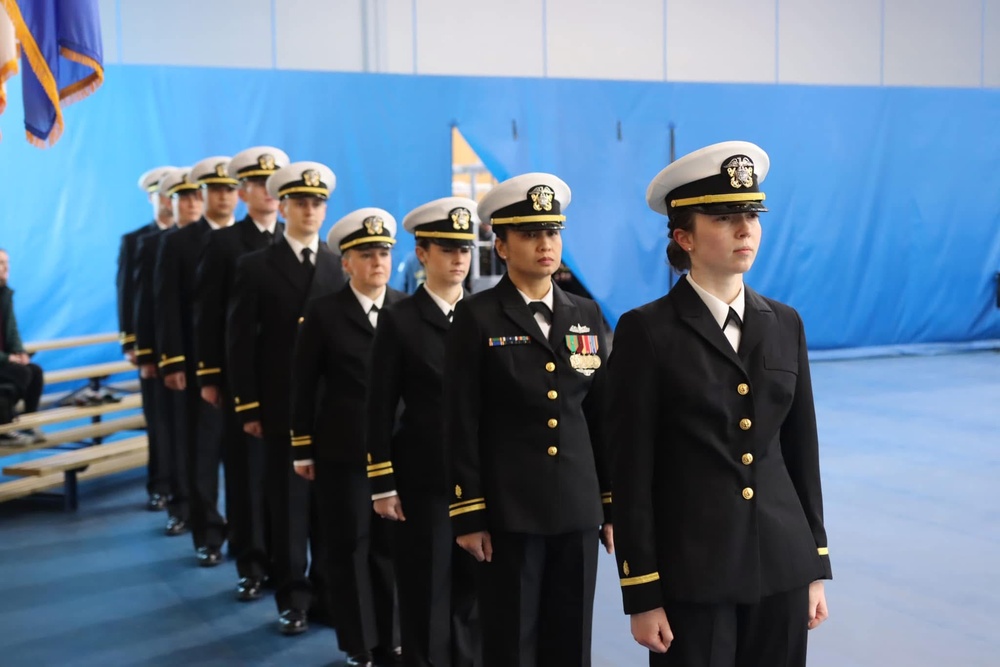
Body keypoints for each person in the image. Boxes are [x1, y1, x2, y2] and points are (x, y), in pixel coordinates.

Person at [608, 141, 832, 667]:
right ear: (683, 236)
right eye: (725, 216)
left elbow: (802, 451)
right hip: (693, 574)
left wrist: (814, 564)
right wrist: (642, 591)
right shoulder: (647, 331)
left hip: (781, 563)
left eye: (752, 215)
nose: (744, 228)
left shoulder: (785, 323)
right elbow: (632, 468)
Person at [444, 173, 613, 667]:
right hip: (509, 509)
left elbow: (601, 415)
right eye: (530, 234)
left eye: (553, 233)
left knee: (571, 638)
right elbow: (461, 419)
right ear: (501, 244)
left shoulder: (586, 313)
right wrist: (469, 513)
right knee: (512, 640)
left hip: (578, 507)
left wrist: (610, 504)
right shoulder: (477, 317)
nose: (545, 244)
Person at [227, 161, 345, 636]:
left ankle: (326, 593)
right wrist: (249, 405)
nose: (310, 210)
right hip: (279, 407)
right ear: (285, 205)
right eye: (301, 202)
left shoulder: (340, 266)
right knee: (289, 507)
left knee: (330, 509)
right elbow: (240, 342)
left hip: (332, 410)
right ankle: (293, 596)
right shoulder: (255, 266)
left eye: (318, 203)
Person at [366, 196, 482, 667]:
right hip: (423, 479)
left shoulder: (487, 315)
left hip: (479, 479)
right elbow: (377, 406)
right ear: (422, 253)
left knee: (474, 593)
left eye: (465, 249)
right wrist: (382, 483)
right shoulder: (400, 319)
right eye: (447, 248)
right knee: (427, 591)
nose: (458, 259)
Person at [290, 208, 404, 666]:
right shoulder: (324, 313)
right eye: (366, 255)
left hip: (397, 450)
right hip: (343, 450)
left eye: (383, 253)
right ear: (346, 263)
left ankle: (393, 635)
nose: (377, 262)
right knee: (350, 544)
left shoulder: (404, 308)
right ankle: (360, 642)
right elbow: (303, 382)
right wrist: (302, 447)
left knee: (390, 546)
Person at [194, 146, 289, 600]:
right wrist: (211, 375)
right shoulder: (225, 243)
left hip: (292, 384)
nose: (267, 194)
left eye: (274, 186)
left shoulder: (292, 241)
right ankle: (252, 563)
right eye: (257, 185)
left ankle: (290, 564)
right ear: (244, 192)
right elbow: (211, 314)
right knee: (248, 475)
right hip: (245, 379)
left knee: (288, 482)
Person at [155, 156, 239, 567]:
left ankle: (246, 534)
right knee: (201, 452)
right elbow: (167, 305)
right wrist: (172, 362)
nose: (223, 196)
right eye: (216, 189)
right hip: (198, 365)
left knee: (245, 463)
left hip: (245, 369)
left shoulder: (250, 239)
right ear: (203, 193)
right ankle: (208, 532)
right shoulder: (178, 242)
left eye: (229, 189)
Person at [134, 166, 203, 536]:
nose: (190, 203)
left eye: (196, 195)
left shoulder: (211, 240)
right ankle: (173, 496)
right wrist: (145, 351)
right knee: (171, 432)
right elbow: (145, 303)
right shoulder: (146, 243)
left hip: (207, 355)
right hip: (170, 353)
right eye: (180, 196)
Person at [117, 165, 175, 510]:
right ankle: (160, 484)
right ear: (152, 197)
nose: (169, 199)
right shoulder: (136, 240)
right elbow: (127, 292)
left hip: (183, 346)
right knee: (158, 419)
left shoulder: (196, 238)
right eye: (163, 193)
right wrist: (131, 341)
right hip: (151, 344)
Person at [0, 249, 44, 446]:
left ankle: (28, 422)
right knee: (19, 375)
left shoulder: (5, 294)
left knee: (34, 371)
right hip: (2, 361)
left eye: (7, 263)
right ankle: (6, 425)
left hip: (6, 360)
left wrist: (20, 351)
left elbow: (12, 329)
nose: (6, 268)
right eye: (1, 263)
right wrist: (7, 358)